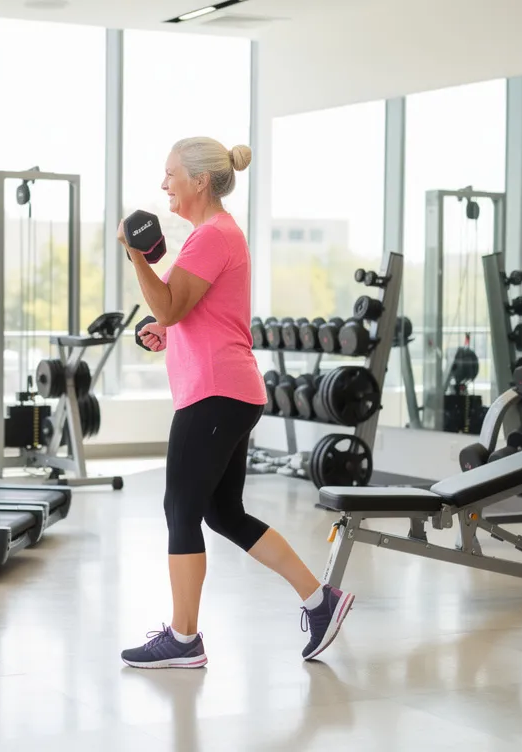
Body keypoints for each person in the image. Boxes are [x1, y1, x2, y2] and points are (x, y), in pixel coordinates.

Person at [117, 137, 353, 669]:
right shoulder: (214, 235)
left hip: (215, 393)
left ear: (200, 181)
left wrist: (135, 254)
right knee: (223, 513)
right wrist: (165, 331)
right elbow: (187, 314)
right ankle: (320, 601)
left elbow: (171, 305)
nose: (163, 184)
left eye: (171, 173)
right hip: (226, 390)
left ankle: (183, 639)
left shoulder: (212, 236)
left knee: (180, 509)